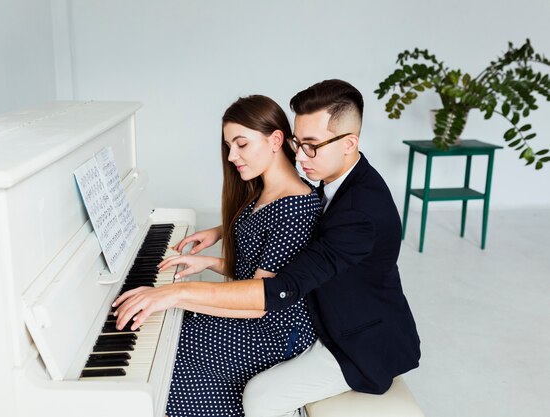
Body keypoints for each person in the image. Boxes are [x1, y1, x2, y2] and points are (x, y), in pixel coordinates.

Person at [113, 80, 421, 417]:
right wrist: (221, 235)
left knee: (255, 394)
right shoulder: (337, 178)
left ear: (350, 143)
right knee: (175, 337)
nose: (300, 157)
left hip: (354, 341)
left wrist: (175, 294)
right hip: (314, 310)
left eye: (311, 146)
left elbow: (282, 289)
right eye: (298, 143)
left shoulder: (360, 211)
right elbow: (293, 227)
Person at [153, 94, 321, 417]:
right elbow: (252, 270)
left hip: (273, 332)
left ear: (275, 140)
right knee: (171, 330)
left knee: (174, 353)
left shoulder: (296, 207)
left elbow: (259, 300)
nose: (231, 156)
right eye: (229, 146)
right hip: (255, 314)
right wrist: (209, 260)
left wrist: (175, 295)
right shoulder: (264, 190)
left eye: (241, 144)